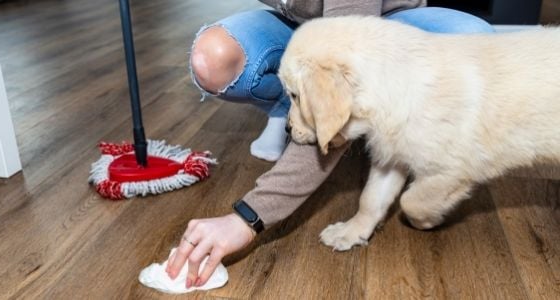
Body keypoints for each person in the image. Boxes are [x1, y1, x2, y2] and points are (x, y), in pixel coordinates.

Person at [166, 0, 495, 289]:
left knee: (474, 39)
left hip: (387, 24)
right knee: (213, 56)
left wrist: (248, 218)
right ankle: (291, 107)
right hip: (298, 25)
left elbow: (341, 77)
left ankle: (374, 123)